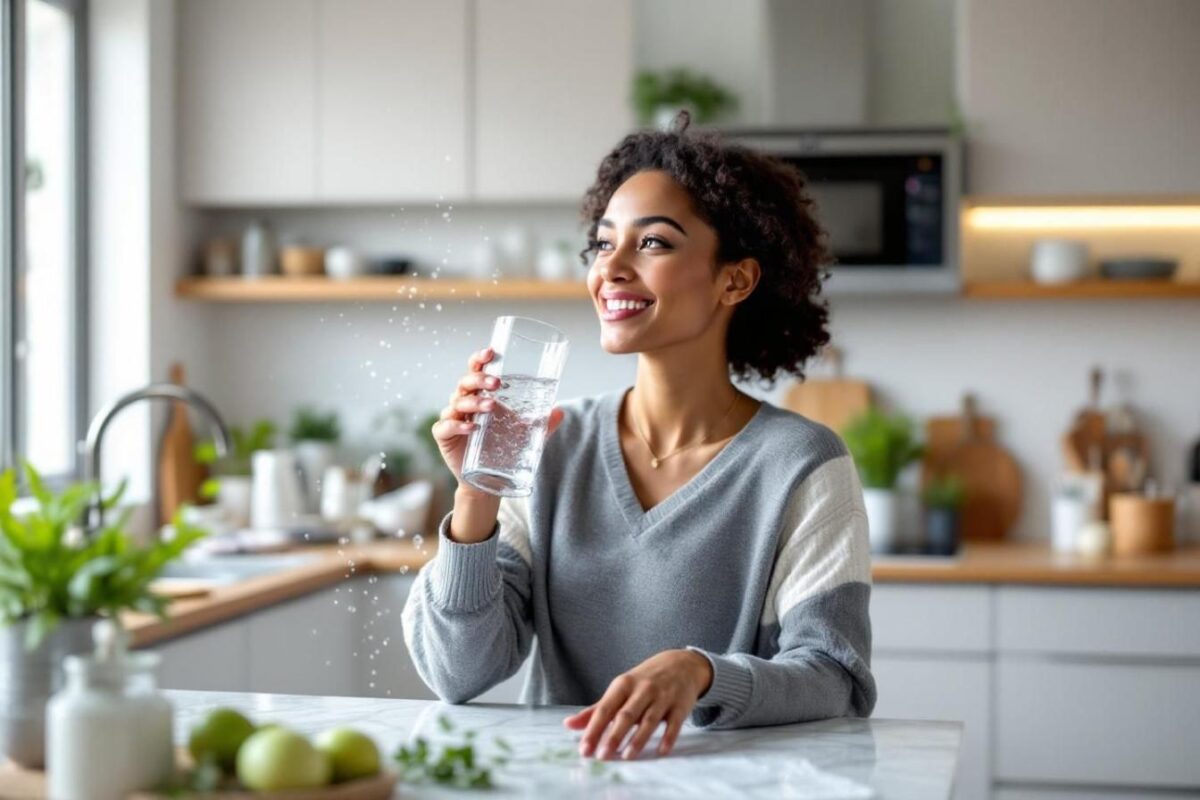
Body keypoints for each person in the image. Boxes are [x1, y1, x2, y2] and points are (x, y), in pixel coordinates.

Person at [402, 114, 875, 762]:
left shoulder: (802, 463)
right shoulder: (548, 442)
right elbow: (457, 675)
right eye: (603, 244)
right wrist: (477, 493)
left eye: (653, 243)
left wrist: (701, 672)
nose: (612, 268)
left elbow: (836, 679)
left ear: (734, 279)